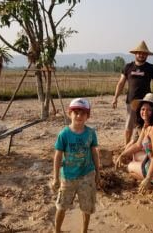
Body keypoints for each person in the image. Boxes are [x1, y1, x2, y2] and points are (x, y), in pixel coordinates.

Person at [51, 98, 101, 233]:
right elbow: (58, 156)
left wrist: (98, 172)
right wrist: (55, 177)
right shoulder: (64, 134)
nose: (79, 116)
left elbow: (94, 153)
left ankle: (84, 231)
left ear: (87, 116)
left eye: (83, 113)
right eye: (76, 112)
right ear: (69, 114)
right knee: (61, 206)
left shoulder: (91, 133)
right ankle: (57, 230)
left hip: (87, 175)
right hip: (68, 177)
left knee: (87, 207)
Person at [112, 41, 153, 145]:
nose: (141, 55)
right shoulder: (128, 67)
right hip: (131, 101)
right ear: (135, 54)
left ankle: (145, 145)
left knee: (146, 124)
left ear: (147, 55)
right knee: (129, 125)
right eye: (139, 53)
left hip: (146, 102)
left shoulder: (150, 68)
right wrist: (115, 98)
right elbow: (121, 83)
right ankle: (126, 146)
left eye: (144, 53)